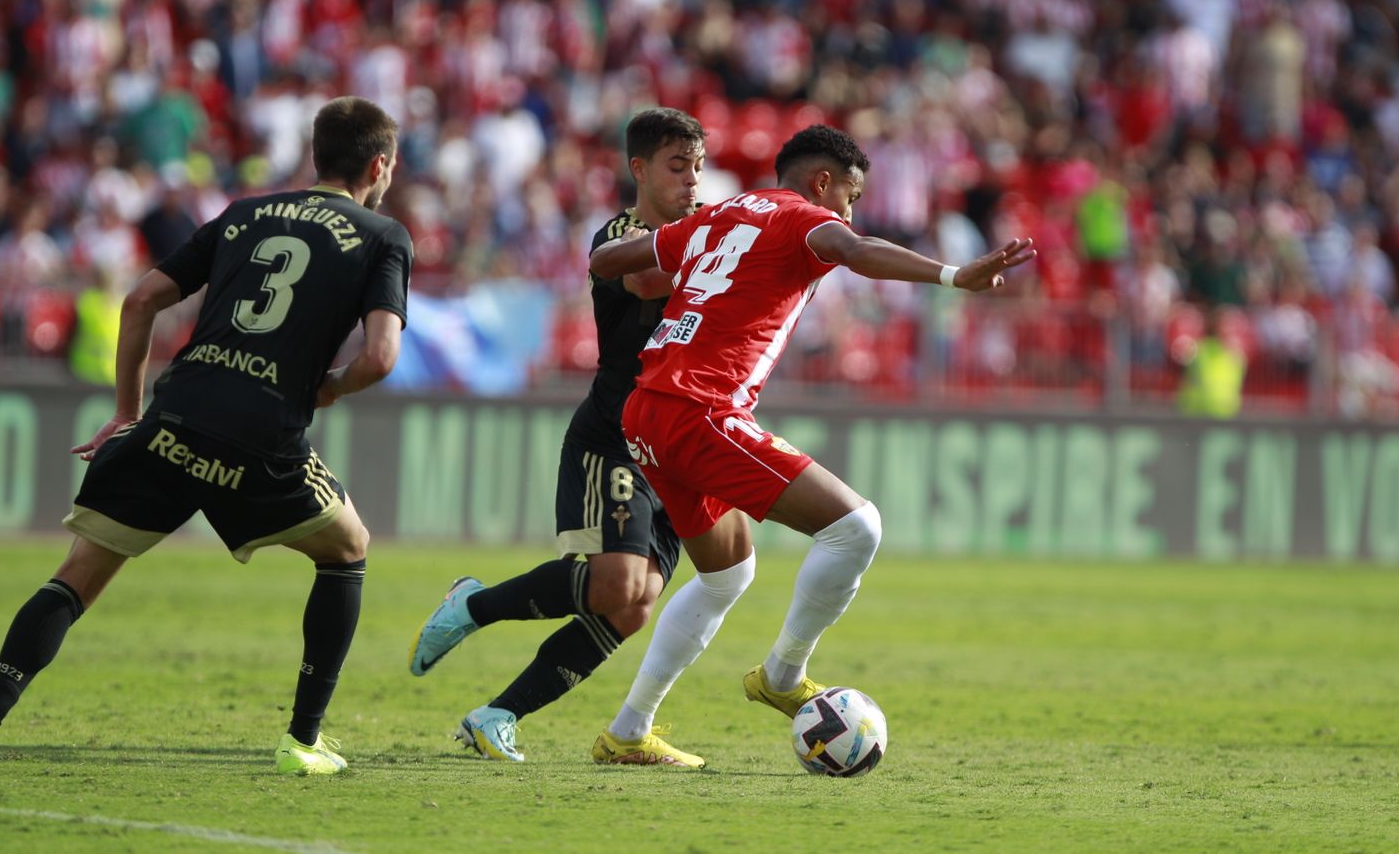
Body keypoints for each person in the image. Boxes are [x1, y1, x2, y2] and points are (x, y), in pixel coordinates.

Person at [0, 97, 413, 776]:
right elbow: (381, 357)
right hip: (261, 436)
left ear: (317, 156)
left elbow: (140, 300)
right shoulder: (383, 235)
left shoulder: (244, 213)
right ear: (379, 165)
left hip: (175, 417)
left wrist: (125, 412)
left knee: (76, 577)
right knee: (349, 548)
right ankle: (302, 740)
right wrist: (332, 387)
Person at [584, 125, 1035, 767]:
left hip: (646, 409)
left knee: (726, 574)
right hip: (699, 408)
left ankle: (628, 732)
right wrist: (952, 275)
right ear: (823, 183)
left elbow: (610, 263)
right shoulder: (802, 217)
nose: (848, 212)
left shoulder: (719, 215)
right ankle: (783, 676)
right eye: (850, 196)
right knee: (857, 528)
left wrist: (639, 261)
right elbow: (854, 248)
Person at [407, 108, 705, 761]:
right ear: (639, 169)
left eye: (698, 168)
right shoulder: (621, 235)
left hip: (681, 447)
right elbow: (646, 279)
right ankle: (474, 605)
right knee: (617, 585)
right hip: (617, 437)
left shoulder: (709, 231)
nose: (691, 180)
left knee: (633, 606)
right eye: (677, 167)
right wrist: (726, 253)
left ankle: (496, 715)